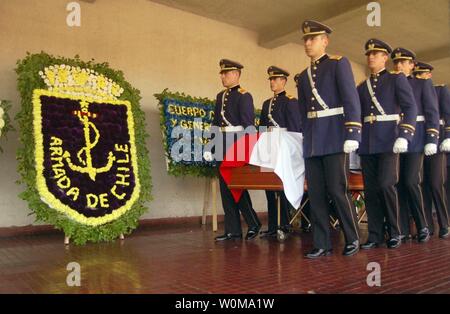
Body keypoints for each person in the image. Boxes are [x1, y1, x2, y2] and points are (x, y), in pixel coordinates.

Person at [296, 20, 361, 258]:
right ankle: (322, 243)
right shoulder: (302, 77)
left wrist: (352, 132)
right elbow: (304, 113)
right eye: (305, 39)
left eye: (312, 38)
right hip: (313, 140)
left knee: (337, 189)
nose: (308, 43)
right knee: (316, 193)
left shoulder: (338, 64)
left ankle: (352, 237)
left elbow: (350, 99)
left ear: (325, 41)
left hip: (334, 136)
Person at [357, 39, 417, 250]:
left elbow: (410, 108)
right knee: (371, 190)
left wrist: (405, 134)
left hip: (390, 141)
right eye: (369, 54)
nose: (371, 57)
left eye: (376, 54)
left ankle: (395, 231)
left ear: (385, 58)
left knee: (386, 185)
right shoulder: (362, 87)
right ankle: (374, 234)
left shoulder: (396, 79)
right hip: (368, 144)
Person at [207, 59, 262, 241]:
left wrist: (248, 150)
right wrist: (210, 145)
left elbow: (248, 125)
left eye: (226, 73)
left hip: (236, 144)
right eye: (222, 73)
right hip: (221, 143)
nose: (223, 76)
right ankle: (233, 230)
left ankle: (253, 222)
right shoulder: (219, 96)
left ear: (237, 75)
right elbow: (215, 124)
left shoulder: (244, 96)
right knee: (225, 189)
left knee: (237, 186)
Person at [392, 48, 438, 243]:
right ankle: (401, 228)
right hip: (394, 139)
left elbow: (432, 112)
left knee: (411, 181)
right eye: (396, 63)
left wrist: (432, 138)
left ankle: (422, 225)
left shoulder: (422, 84)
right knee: (398, 184)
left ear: (412, 65)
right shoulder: (391, 83)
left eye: (403, 62)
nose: (399, 66)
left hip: (416, 139)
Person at [258, 66, 301, 238]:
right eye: (270, 79)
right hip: (269, 147)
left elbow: (294, 129)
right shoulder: (266, 103)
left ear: (283, 81)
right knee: (268, 186)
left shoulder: (291, 101)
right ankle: (272, 225)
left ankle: (284, 224)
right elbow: (261, 128)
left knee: (281, 185)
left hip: (283, 147)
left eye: (275, 79)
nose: (272, 82)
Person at [414, 61, 450, 239]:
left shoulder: (440, 90)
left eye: (423, 74)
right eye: (418, 75)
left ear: (429, 75)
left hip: (438, 141)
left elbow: (447, 114)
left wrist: (448, 136)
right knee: (423, 185)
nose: (421, 77)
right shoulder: (414, 90)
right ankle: (427, 224)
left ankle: (445, 223)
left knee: (436, 183)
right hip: (421, 141)